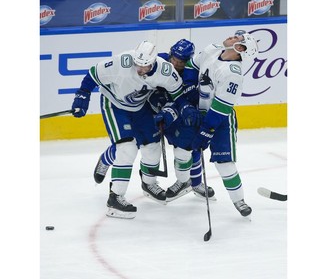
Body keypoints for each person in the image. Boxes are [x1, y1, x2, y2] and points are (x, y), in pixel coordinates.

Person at [71, 40, 193, 219]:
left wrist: (183, 108)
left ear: (154, 62)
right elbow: (93, 74)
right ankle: (115, 197)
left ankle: (148, 184)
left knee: (152, 148)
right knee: (127, 148)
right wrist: (82, 95)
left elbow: (178, 95)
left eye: (145, 66)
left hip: (140, 106)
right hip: (114, 104)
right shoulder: (122, 62)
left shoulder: (165, 71)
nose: (140, 69)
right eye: (138, 64)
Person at [94, 39, 217, 202]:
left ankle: (192, 182)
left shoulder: (190, 73)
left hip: (173, 114)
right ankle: (106, 159)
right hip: (148, 110)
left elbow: (184, 97)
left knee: (188, 145)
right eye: (174, 58)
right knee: (129, 146)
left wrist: (181, 109)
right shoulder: (153, 63)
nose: (175, 63)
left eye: (180, 61)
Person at [189, 31, 259, 217]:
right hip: (197, 112)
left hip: (220, 120)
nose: (232, 37)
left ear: (240, 49)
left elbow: (221, 107)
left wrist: (206, 131)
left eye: (238, 39)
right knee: (190, 150)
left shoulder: (232, 73)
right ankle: (191, 184)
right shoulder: (213, 49)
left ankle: (239, 200)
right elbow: (191, 67)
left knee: (224, 163)